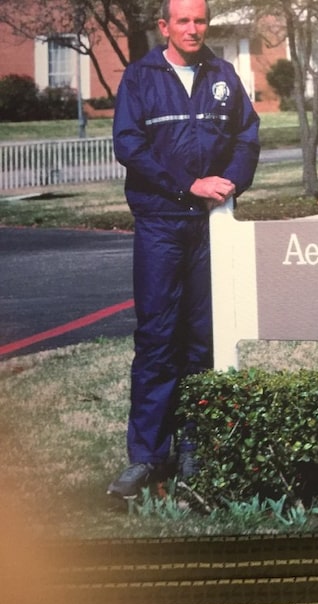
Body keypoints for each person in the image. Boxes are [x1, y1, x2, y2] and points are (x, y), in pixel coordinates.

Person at [107, 0, 260, 498]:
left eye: (200, 20)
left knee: (203, 339)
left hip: (211, 226)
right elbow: (130, 145)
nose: (193, 29)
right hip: (161, 224)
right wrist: (187, 185)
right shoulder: (140, 77)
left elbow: (247, 138)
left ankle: (196, 446)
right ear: (164, 27)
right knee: (156, 338)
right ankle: (147, 457)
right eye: (183, 21)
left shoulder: (224, 75)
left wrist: (231, 181)